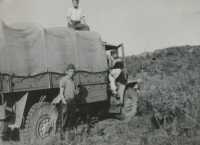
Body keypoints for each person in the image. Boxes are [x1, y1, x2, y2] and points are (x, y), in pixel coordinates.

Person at [58, 64, 77, 140]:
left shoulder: (73, 80)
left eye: (73, 71)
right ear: (67, 71)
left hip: (72, 102)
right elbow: (61, 93)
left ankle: (70, 136)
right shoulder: (63, 80)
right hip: (66, 102)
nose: (72, 73)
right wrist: (64, 102)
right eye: (70, 71)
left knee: (71, 119)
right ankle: (62, 138)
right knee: (63, 119)